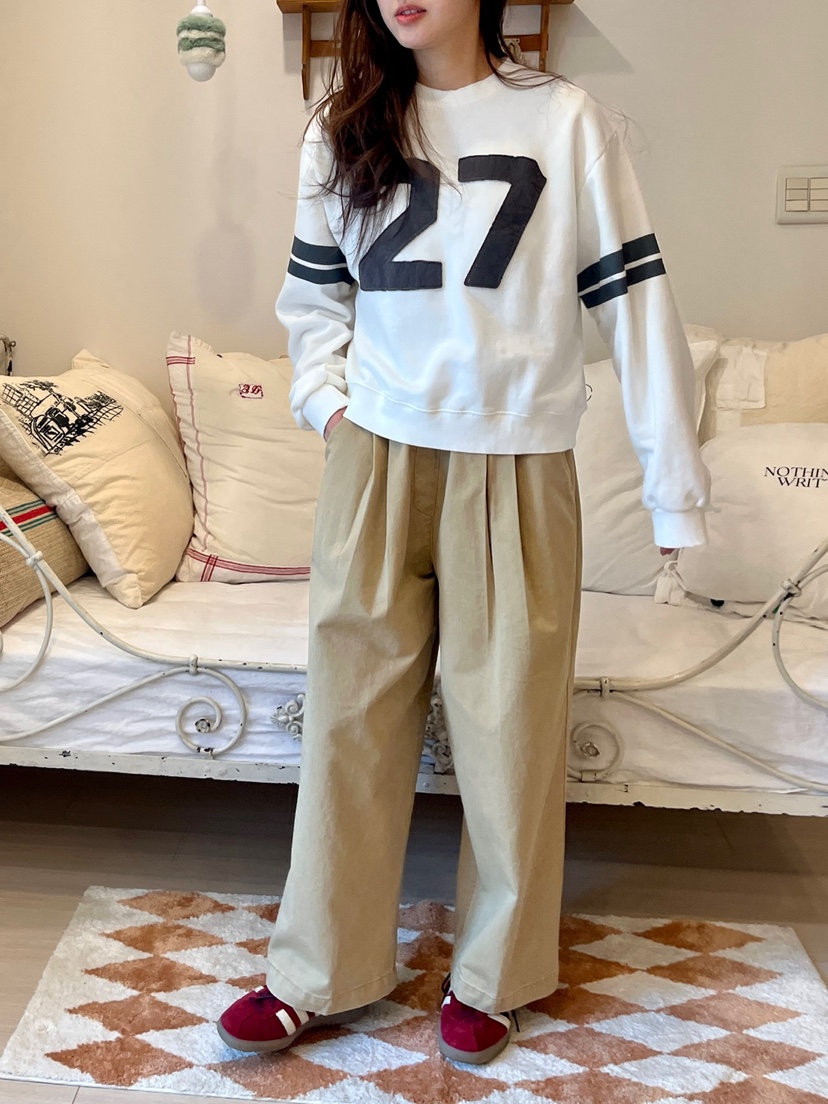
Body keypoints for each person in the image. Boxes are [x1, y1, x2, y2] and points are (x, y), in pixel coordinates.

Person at [217, 0, 711, 1067]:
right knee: (349, 719)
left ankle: (494, 974)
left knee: (511, 730)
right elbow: (313, 302)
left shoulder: (568, 121)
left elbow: (636, 305)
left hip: (518, 462)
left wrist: (675, 490)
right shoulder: (340, 127)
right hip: (377, 458)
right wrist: (329, 408)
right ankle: (319, 968)